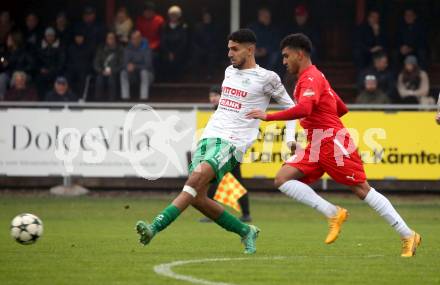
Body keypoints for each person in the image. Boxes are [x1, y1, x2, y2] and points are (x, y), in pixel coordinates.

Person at [246, 33, 421, 257]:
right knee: (282, 178)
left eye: (286, 56)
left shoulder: (310, 78)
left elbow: (306, 109)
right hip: (317, 142)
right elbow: (340, 107)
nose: (284, 61)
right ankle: (332, 212)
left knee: (361, 189)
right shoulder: (316, 77)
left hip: (333, 142)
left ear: (300, 54)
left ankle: (408, 235)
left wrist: (268, 116)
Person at [135, 29, 297, 254]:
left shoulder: (267, 78)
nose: (229, 53)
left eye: (234, 49)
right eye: (228, 48)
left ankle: (154, 227)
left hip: (233, 143)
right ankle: (245, 231)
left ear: (250, 50)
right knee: (197, 198)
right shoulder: (229, 71)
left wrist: (290, 139)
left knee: (195, 180)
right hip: (209, 137)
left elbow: (291, 107)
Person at [199, 85, 252, 223]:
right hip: (229, 151)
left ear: (223, 97)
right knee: (233, 182)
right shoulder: (220, 111)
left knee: (214, 180)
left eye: (215, 95)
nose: (212, 98)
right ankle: (246, 214)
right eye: (211, 96)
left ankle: (212, 213)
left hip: (229, 150)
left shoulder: (226, 111)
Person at [120, 30, 154, 100]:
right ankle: (125, 98)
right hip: (133, 75)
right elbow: (124, 63)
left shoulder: (146, 48)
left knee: (143, 72)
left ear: (141, 38)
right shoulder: (127, 48)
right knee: (123, 72)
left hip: (147, 76)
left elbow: (148, 65)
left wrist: (135, 66)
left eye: (137, 38)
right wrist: (128, 66)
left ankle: (143, 98)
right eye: (133, 39)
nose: (135, 40)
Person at [248, 7, 282, 72]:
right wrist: (254, 50)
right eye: (263, 16)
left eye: (267, 16)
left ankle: (267, 76)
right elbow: (246, 41)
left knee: (276, 55)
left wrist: (266, 50)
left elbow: (277, 44)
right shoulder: (252, 27)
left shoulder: (274, 29)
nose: (266, 18)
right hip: (254, 53)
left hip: (268, 55)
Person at [160, 5, 189, 80]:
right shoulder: (164, 26)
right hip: (167, 51)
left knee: (180, 60)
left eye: (175, 15)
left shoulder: (183, 26)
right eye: (172, 15)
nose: (173, 17)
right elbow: (163, 41)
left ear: (179, 16)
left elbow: (184, 42)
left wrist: (175, 53)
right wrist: (169, 52)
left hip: (179, 52)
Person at [94, 31, 123, 101]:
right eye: (109, 38)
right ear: (106, 39)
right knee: (99, 79)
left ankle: (112, 101)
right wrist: (101, 71)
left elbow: (122, 64)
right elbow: (96, 63)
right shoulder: (101, 48)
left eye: (112, 38)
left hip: (114, 72)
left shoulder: (119, 49)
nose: (110, 40)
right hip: (102, 71)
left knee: (111, 79)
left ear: (115, 39)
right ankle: (98, 101)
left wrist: (113, 71)